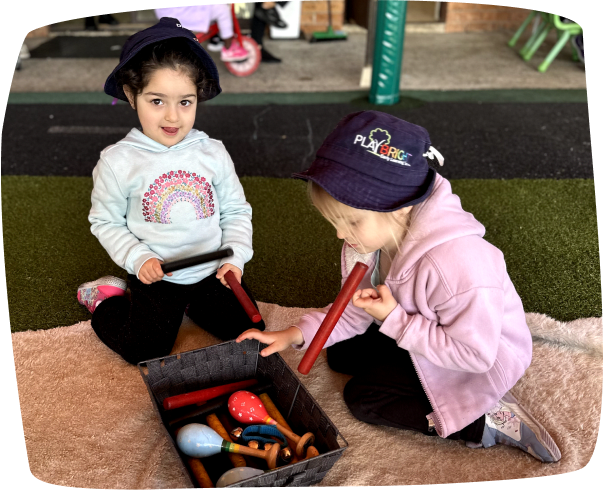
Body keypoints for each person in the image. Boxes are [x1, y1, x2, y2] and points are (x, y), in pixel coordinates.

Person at [236, 111, 562, 463]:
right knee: (341, 352)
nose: (340, 234)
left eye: (350, 221)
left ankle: (486, 420)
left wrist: (395, 319)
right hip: (422, 328)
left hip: (477, 361)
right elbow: (351, 312)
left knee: (363, 399)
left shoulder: (460, 265)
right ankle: (417, 367)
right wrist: (294, 333)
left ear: (401, 207)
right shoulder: (369, 241)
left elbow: (475, 356)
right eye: (335, 221)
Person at [77, 17, 265, 365]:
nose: (173, 117)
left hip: (212, 271)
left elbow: (237, 211)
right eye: (157, 101)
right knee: (144, 351)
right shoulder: (117, 162)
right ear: (132, 96)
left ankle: (194, 303)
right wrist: (139, 259)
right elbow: (105, 222)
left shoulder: (213, 152)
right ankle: (104, 300)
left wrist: (234, 259)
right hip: (157, 275)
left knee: (250, 332)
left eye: (185, 102)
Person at [154, 5, 248, 62]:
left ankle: (215, 39)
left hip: (169, 11)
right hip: (178, 12)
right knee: (222, 10)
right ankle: (229, 49)